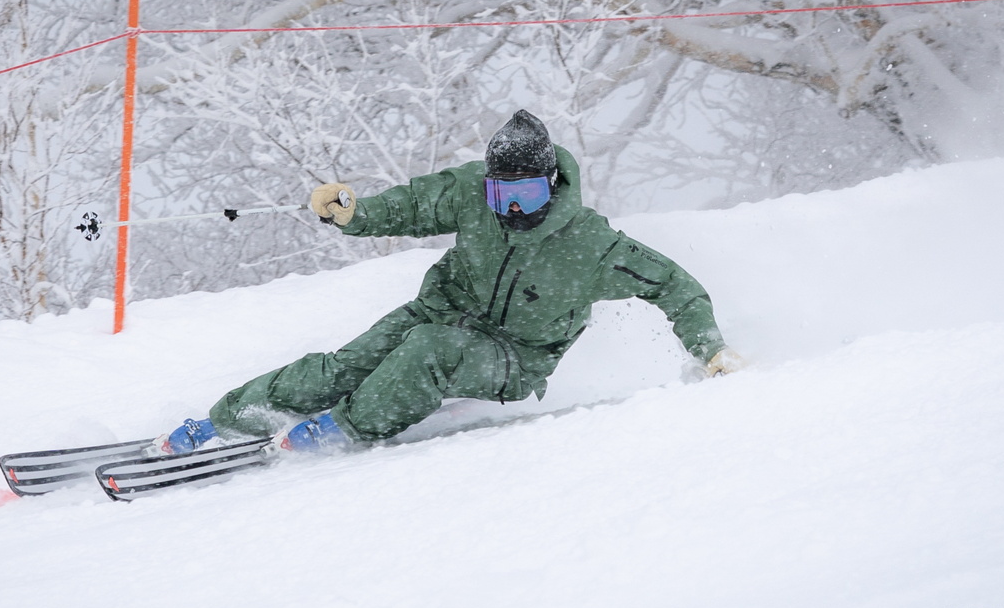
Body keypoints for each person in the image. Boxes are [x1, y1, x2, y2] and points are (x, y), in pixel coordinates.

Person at [154, 109, 744, 456]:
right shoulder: (470, 194)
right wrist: (352, 212)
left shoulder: (590, 245)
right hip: (439, 312)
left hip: (513, 358)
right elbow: (410, 205)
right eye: (500, 195)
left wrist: (710, 347)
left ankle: (344, 429)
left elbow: (676, 287)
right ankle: (227, 418)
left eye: (526, 195)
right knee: (345, 365)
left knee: (426, 352)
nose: (512, 209)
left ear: (551, 186)